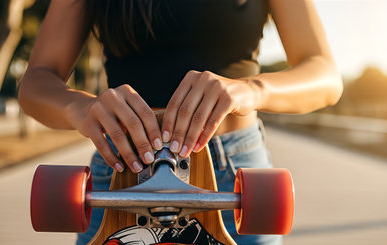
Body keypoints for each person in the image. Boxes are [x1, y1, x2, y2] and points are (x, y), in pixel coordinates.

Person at [18, 0, 343, 244]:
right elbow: (36, 81)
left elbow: (325, 75)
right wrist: (79, 107)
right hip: (120, 169)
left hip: (236, 178)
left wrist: (250, 89)